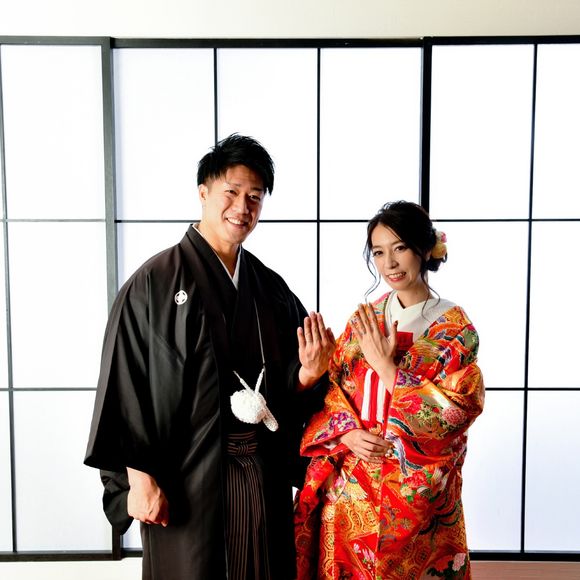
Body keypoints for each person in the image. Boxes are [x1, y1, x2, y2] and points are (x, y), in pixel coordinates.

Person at [85, 134, 335, 580]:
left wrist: (308, 375)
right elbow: (125, 386)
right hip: (187, 483)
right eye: (231, 193)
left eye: (255, 197)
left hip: (261, 476)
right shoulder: (153, 284)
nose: (243, 207)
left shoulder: (270, 288)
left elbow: (289, 382)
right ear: (203, 192)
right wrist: (139, 480)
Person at [294, 200, 484, 579]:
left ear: (425, 249)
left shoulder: (454, 330)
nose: (389, 264)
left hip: (417, 495)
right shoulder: (366, 318)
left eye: (400, 248)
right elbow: (334, 391)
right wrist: (346, 434)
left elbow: (458, 409)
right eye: (379, 252)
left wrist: (386, 368)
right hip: (351, 487)